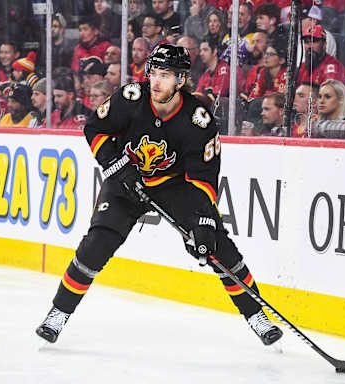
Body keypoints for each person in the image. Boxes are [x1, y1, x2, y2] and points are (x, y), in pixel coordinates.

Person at [35, 44, 283, 347]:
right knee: (96, 244)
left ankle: (256, 315)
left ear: (181, 80)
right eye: (153, 72)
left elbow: (203, 180)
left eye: (165, 75)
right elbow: (95, 129)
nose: (155, 81)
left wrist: (203, 223)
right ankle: (58, 312)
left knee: (218, 247)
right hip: (126, 180)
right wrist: (115, 164)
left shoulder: (198, 120)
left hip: (174, 187)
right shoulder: (131, 99)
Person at [193, 37, 244, 104]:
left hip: (229, 110)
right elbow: (198, 94)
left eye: (205, 50)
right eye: (201, 50)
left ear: (214, 51)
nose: (201, 53)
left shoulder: (225, 69)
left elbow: (219, 94)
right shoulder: (206, 74)